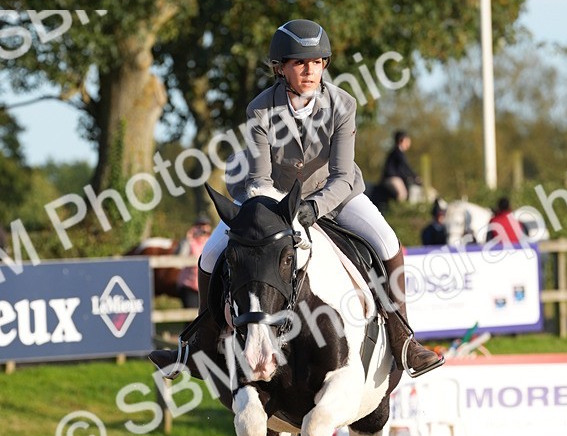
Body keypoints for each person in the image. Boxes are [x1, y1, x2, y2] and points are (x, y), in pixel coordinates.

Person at [150, 19, 442, 379]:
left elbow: (340, 175)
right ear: (280, 68)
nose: (310, 70)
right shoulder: (260, 109)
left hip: (336, 193)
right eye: (300, 63)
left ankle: (403, 339)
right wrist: (278, 212)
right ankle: (200, 345)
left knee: (386, 241)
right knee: (211, 254)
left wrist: (314, 208)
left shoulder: (343, 105)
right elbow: (258, 178)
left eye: (317, 62)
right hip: (275, 195)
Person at [177, 215, 213, 309]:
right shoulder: (189, 242)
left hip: (206, 285)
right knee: (191, 315)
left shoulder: (211, 241)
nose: (202, 228)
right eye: (199, 225)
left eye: (205, 225)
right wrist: (188, 239)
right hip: (190, 285)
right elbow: (180, 258)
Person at [378, 130, 422, 205]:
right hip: (391, 178)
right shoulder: (397, 153)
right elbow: (405, 167)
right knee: (402, 194)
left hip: (394, 178)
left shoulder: (398, 153)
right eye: (407, 140)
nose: (409, 143)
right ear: (402, 140)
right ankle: (398, 212)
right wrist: (415, 177)